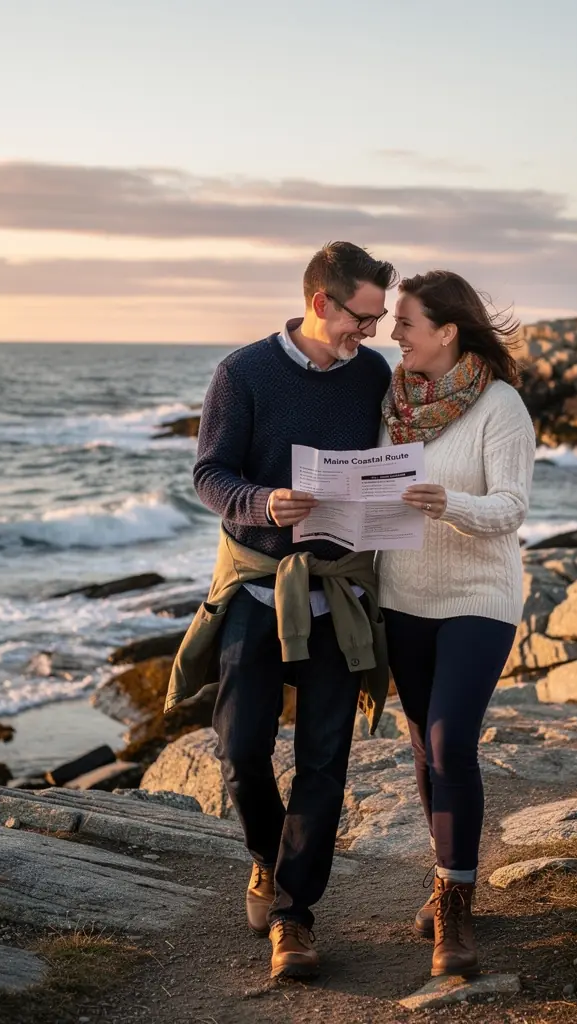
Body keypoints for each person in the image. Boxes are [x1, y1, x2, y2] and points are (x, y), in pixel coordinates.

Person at [164, 241, 398, 981]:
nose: (372, 332)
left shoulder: (374, 374)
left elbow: (393, 459)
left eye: (380, 319)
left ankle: (294, 917)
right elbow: (209, 473)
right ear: (322, 302)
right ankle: (267, 855)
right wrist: (261, 502)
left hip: (339, 595)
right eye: (363, 317)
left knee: (325, 761)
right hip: (257, 587)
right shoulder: (243, 372)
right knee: (240, 750)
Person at [378, 270, 535, 977]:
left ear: (446, 331)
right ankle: (449, 874)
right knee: (423, 747)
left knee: (450, 741)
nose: (394, 334)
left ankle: (456, 909)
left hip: (479, 596)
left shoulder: (501, 406)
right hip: (402, 596)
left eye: (405, 323)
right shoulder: (392, 403)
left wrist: (449, 503)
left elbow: (511, 507)